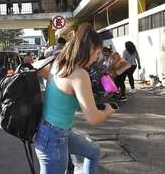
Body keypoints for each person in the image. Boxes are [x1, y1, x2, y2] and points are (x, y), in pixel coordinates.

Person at [36, 23, 116, 174]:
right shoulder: (79, 74)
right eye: (97, 53)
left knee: (93, 151)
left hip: (53, 131)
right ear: (90, 49)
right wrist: (108, 111)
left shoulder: (57, 61)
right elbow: (93, 119)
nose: (96, 58)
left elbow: (52, 79)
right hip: (53, 139)